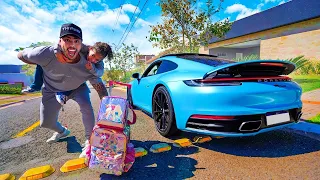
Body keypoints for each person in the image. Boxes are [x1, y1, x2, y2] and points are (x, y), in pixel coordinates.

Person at [17, 23, 111, 158]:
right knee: (46, 122)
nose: (72, 45)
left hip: (78, 88)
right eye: (67, 40)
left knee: (86, 107)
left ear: (81, 44)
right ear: (59, 41)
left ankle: (90, 142)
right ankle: (62, 131)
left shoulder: (90, 63)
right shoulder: (46, 53)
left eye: (76, 41)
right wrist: (42, 61)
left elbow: (99, 85)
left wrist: (107, 104)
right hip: (52, 89)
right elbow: (21, 55)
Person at [22, 42, 108, 94]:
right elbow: (61, 44)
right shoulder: (81, 46)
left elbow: (100, 73)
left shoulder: (99, 63)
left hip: (76, 75)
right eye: (92, 56)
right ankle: (36, 86)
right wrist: (57, 52)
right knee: (41, 63)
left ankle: (67, 92)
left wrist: (92, 68)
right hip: (63, 62)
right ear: (90, 48)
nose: (93, 60)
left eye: (97, 60)